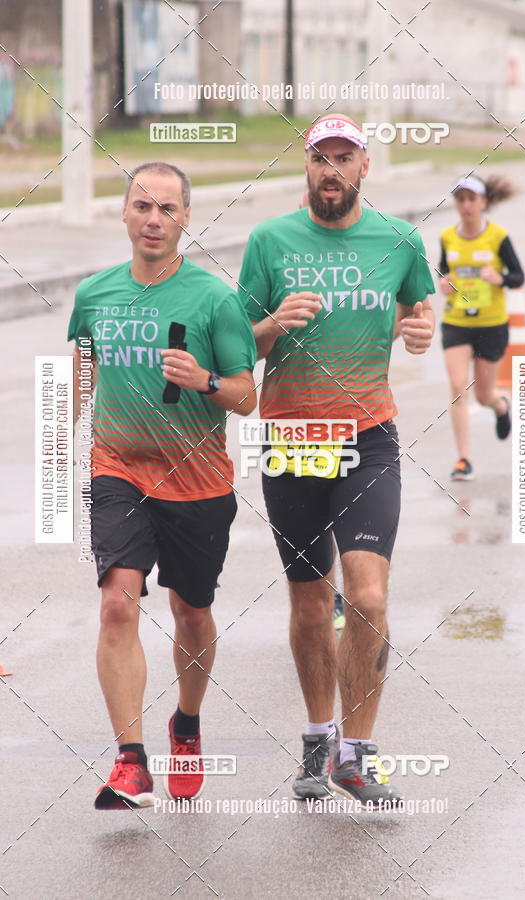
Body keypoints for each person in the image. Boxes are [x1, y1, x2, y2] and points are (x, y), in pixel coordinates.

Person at [238, 115, 435, 806]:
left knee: (370, 596)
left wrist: (420, 330)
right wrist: (270, 325)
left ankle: (359, 750)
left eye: (343, 157)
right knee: (311, 602)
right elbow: (240, 352)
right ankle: (319, 733)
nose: (330, 169)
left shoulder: (400, 239)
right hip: (292, 437)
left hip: (367, 437)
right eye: (320, 157)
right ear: (306, 164)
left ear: (364, 166)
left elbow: (420, 312)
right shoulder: (269, 241)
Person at [68, 162, 257, 809]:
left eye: (167, 209)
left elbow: (246, 394)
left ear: (185, 219)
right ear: (123, 213)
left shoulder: (214, 299)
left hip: (199, 480)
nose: (154, 219)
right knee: (117, 603)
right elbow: (83, 376)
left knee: (191, 611)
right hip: (117, 467)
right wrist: (60, 446)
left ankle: (187, 724)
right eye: (142, 206)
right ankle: (130, 761)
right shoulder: (94, 294)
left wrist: (205, 379)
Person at [438, 174, 525, 481]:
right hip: (457, 322)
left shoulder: (498, 237)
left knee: (483, 395)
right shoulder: (448, 237)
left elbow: (518, 277)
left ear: (483, 202)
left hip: (491, 324)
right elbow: (444, 273)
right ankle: (463, 459)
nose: (465, 205)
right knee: (458, 386)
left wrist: (499, 278)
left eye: (471, 199)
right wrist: (444, 284)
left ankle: (500, 405)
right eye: (460, 199)